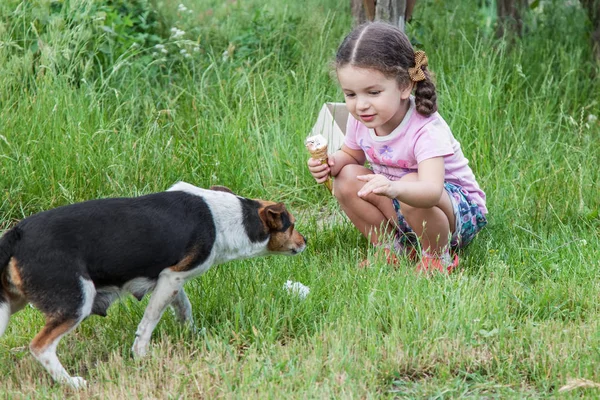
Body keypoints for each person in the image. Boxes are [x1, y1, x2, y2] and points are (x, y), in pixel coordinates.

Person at [307, 21, 488, 273]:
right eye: (350, 95)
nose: (361, 105)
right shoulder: (361, 120)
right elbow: (351, 156)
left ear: (404, 85)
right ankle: (392, 249)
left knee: (413, 182)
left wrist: (394, 187)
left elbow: (431, 192)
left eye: (373, 92)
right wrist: (331, 164)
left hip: (455, 216)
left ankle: (437, 256)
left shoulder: (425, 129)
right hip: (402, 203)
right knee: (346, 178)